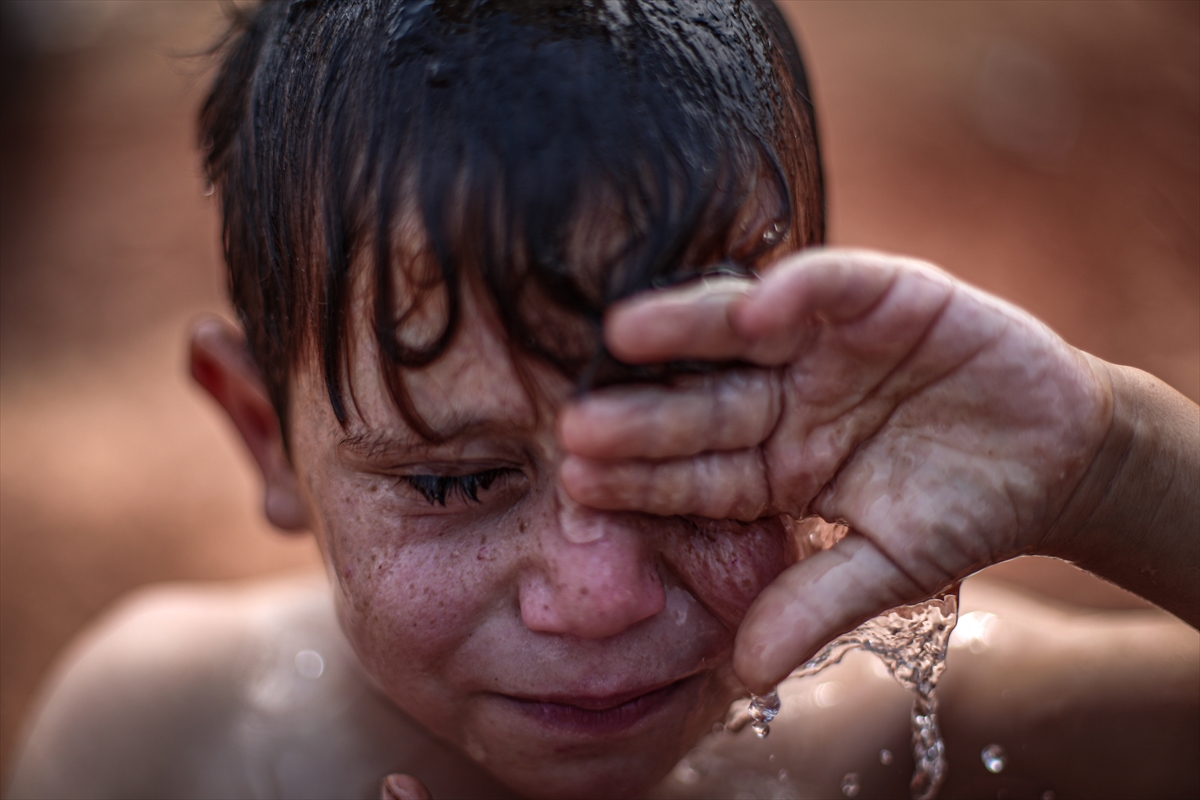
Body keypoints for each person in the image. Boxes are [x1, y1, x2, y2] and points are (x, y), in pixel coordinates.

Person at [6, 1, 1197, 798]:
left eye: (693, 451)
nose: (597, 595)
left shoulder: (882, 732)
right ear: (265, 434)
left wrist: (1121, 463)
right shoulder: (171, 737)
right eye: (456, 478)